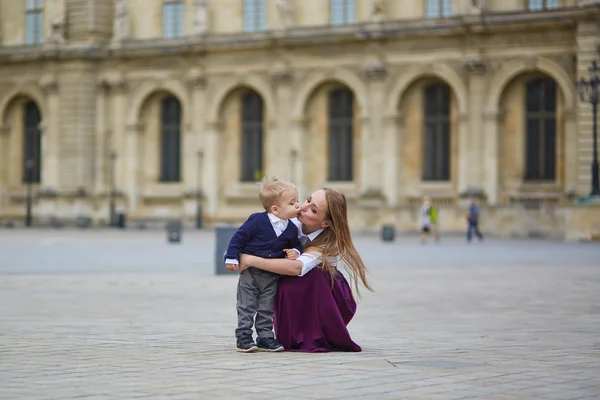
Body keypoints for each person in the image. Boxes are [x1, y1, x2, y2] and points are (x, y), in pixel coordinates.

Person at [238, 188, 373, 352]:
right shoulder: (289, 220)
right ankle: (254, 333)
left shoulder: (329, 244)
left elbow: (297, 268)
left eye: (313, 209)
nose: (303, 207)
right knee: (275, 282)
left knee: (311, 275)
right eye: (308, 200)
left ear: (325, 223)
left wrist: (250, 260)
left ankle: (312, 332)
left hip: (326, 293)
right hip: (296, 283)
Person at [224, 177, 302, 353]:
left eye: (297, 201)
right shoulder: (257, 220)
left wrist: (295, 252)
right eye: (292, 203)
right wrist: (231, 257)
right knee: (246, 305)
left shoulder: (291, 228)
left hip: (271, 275)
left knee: (267, 307)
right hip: (250, 273)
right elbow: (239, 237)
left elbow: (296, 243)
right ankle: (243, 336)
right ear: (275, 209)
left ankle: (265, 336)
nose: (298, 205)